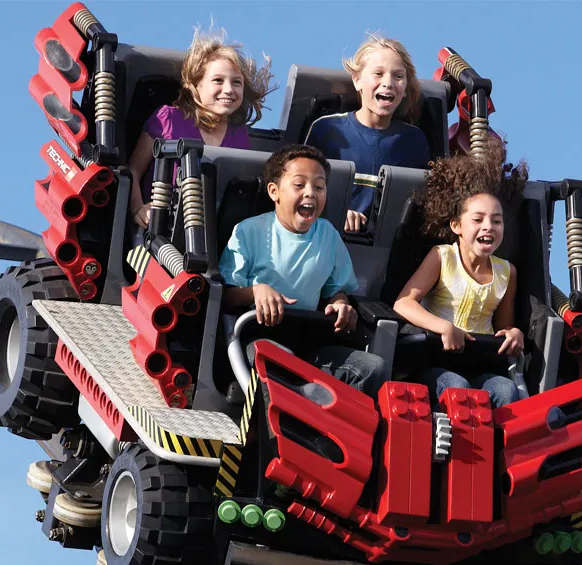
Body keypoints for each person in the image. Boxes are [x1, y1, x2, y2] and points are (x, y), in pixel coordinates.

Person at [218, 144, 385, 397]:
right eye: (299, 185)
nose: (311, 193)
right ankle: (279, 430)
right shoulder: (248, 232)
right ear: (274, 192)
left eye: (319, 187)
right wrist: (256, 292)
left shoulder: (328, 235)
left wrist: (341, 304)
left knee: (371, 368)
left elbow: (336, 290)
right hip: (259, 337)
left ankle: (340, 432)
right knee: (278, 361)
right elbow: (227, 296)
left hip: (308, 338)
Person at [393, 147, 527, 409]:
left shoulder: (507, 272)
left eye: (496, 221)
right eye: (478, 219)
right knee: (458, 388)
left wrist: (513, 334)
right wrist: (443, 327)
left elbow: (503, 327)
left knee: (505, 389)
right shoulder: (442, 257)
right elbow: (403, 303)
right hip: (436, 362)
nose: (488, 226)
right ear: (456, 226)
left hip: (479, 363)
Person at [129, 30, 273, 229]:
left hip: (210, 230)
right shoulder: (168, 118)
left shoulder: (239, 135)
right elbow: (132, 172)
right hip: (159, 229)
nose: (229, 89)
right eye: (218, 80)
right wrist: (138, 209)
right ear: (196, 85)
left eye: (236, 82)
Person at [304, 35, 431, 233]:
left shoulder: (414, 141)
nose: (388, 83)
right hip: (328, 238)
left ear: (405, 88)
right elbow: (301, 188)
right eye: (378, 73)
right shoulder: (327, 129)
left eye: (398, 76)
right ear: (357, 81)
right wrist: (336, 213)